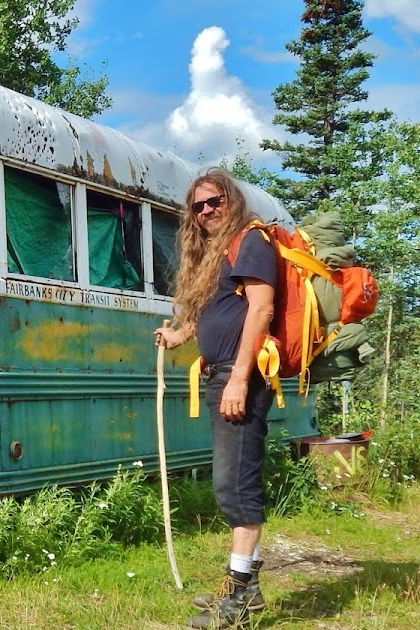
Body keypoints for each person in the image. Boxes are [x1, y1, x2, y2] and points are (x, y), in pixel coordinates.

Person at [154, 168, 277, 629]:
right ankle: (250, 590)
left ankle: (237, 596)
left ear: (232, 201)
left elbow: (261, 309)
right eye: (198, 206)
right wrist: (178, 335)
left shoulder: (251, 241)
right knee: (233, 481)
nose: (206, 211)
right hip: (220, 375)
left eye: (214, 201)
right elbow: (212, 311)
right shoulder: (216, 252)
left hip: (241, 377)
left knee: (235, 486)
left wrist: (240, 379)